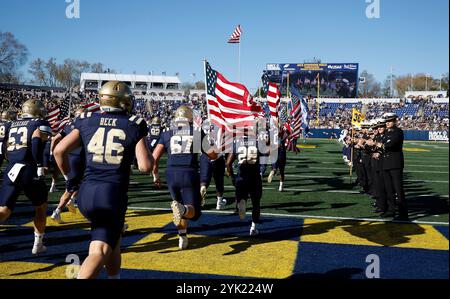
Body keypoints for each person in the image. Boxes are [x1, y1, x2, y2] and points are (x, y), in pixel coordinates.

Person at [54, 81, 154, 279]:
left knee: (114, 240)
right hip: (111, 195)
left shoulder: (86, 119)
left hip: (86, 192)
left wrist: (69, 177)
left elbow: (59, 150)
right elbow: (145, 166)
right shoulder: (134, 123)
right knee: (99, 251)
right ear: (125, 101)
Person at [152, 105, 218, 250]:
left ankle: (182, 237)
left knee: (179, 204)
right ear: (189, 118)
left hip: (170, 173)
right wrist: (212, 145)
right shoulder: (195, 132)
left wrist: (155, 174)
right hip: (188, 172)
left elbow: (154, 157)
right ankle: (182, 214)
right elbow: (213, 154)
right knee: (192, 211)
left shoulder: (167, 133)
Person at [0, 100, 52, 255]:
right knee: (41, 207)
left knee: (4, 210)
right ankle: (38, 243)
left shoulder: (12, 124)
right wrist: (39, 164)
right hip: (29, 168)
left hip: (12, 168)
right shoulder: (40, 123)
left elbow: (3, 146)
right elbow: (36, 141)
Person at [50, 108, 86, 223]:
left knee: (78, 183)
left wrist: (52, 152)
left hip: (68, 157)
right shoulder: (84, 126)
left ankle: (72, 200)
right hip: (78, 158)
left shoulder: (68, 125)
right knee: (71, 187)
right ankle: (57, 211)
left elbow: (55, 138)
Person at [226, 133, 263, 236]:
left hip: (241, 177)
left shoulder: (237, 142)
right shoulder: (257, 142)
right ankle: (253, 228)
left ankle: (241, 202)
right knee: (256, 204)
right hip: (254, 176)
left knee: (241, 196)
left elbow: (228, 163)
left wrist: (232, 178)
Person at [378, 113, 408, 220]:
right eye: (386, 121)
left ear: (395, 121)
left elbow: (390, 145)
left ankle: (403, 212)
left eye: (390, 121)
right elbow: (382, 145)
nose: (388, 123)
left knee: (398, 189)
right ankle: (391, 210)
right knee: (389, 189)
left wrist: (380, 145)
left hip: (395, 164)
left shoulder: (398, 132)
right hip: (386, 164)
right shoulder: (386, 133)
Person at [199, 120, 227, 210]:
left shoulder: (204, 123)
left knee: (204, 179)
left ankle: (202, 188)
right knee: (219, 180)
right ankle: (219, 202)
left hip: (205, 154)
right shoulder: (221, 123)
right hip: (218, 154)